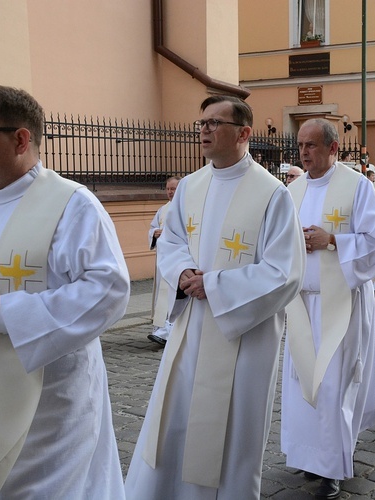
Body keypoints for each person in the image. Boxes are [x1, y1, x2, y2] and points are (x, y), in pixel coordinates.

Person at [0, 85, 129, 498]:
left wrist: (10, 314)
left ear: (20, 139)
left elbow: (109, 290)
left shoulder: (72, 204)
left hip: (43, 410)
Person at [126, 95, 305, 499]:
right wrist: (182, 271)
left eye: (214, 123)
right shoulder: (190, 185)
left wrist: (217, 285)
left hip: (241, 336)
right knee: (176, 419)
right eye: (201, 123)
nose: (204, 130)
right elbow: (171, 239)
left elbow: (286, 272)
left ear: (243, 133)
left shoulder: (272, 194)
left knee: (230, 432)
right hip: (191, 329)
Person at [282, 118, 375, 500]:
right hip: (301, 302)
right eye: (300, 146)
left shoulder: (358, 187)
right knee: (301, 382)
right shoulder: (291, 190)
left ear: (333, 148)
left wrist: (333, 241)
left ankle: (332, 468)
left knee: (333, 384)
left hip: (340, 303)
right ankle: (307, 455)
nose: (304, 153)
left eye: (311, 145)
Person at [148, 175, 181, 346]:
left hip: (176, 260)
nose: (170, 192)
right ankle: (160, 327)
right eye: (168, 189)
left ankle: (171, 329)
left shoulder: (186, 207)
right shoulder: (163, 209)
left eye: (173, 189)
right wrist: (154, 234)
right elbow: (153, 227)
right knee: (161, 295)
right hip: (162, 259)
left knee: (173, 294)